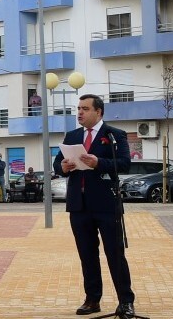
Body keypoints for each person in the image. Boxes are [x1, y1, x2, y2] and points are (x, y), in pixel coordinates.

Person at [54, 94, 136, 318]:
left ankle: (126, 302)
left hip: (106, 204)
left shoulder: (114, 135)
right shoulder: (71, 135)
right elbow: (56, 165)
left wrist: (99, 163)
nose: (79, 112)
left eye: (85, 108)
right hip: (79, 205)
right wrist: (63, 166)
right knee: (87, 255)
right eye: (78, 108)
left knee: (115, 254)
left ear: (98, 112)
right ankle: (92, 300)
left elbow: (124, 164)